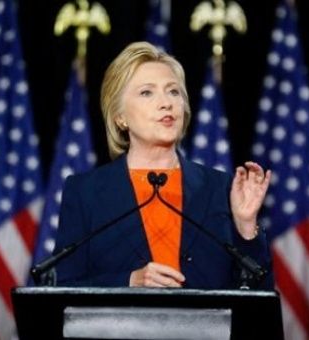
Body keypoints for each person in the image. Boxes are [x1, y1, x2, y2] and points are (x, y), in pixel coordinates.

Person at [52, 41, 273, 290]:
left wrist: (245, 226)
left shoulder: (221, 188)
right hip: (120, 329)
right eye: (147, 92)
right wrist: (128, 282)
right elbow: (64, 286)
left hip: (202, 328)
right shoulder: (86, 192)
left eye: (173, 91)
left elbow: (257, 297)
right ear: (120, 116)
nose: (166, 103)